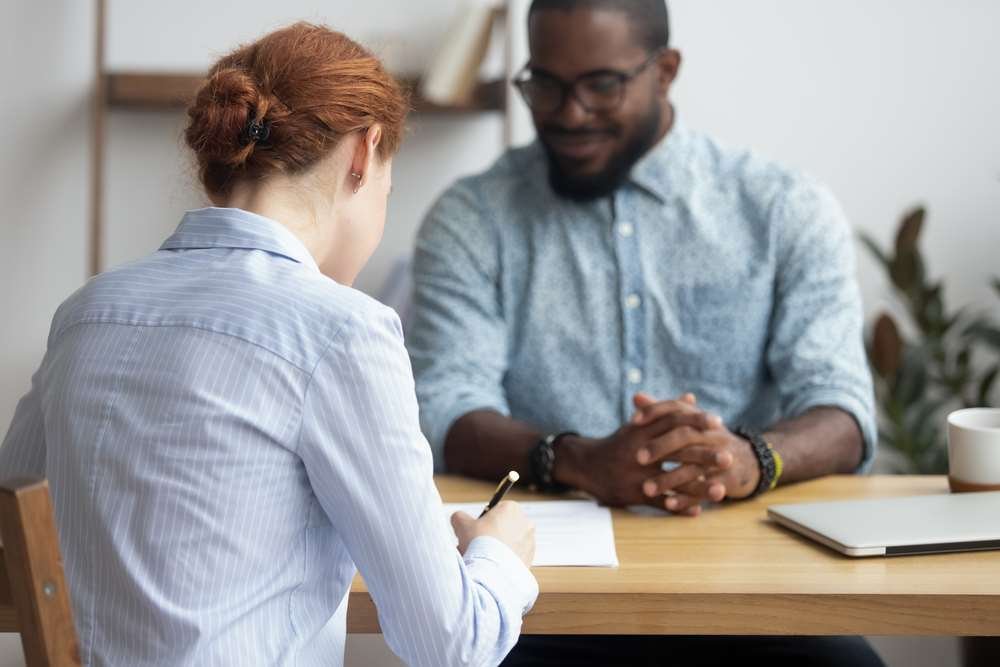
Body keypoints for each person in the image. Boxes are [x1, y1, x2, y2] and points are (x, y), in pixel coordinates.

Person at [0, 22, 537, 667]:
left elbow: (15, 521)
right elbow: (452, 642)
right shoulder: (343, 330)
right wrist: (500, 550)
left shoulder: (86, 312)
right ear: (364, 155)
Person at [407, 0, 882, 665]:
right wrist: (575, 459)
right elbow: (445, 405)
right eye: (544, 83)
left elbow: (843, 407)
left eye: (601, 85)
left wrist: (750, 458)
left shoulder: (783, 209)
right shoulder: (472, 216)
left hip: (756, 603)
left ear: (665, 71)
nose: (569, 113)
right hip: (536, 604)